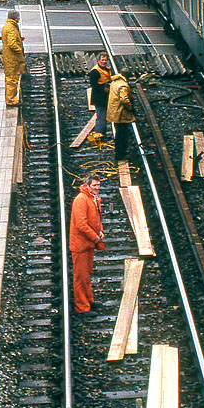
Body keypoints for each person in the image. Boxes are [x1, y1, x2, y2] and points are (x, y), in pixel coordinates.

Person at [69, 174, 104, 313]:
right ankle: (82, 307)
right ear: (87, 186)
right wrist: (96, 237)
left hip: (88, 244)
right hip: (81, 245)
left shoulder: (92, 198)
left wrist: (100, 230)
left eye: (98, 185)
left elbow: (96, 217)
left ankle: (89, 301)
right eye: (94, 185)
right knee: (80, 277)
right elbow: (81, 224)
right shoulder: (81, 200)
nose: (97, 188)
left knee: (87, 274)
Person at [107, 68, 136, 162]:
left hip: (114, 112)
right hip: (120, 114)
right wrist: (130, 107)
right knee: (122, 135)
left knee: (118, 133)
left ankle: (119, 153)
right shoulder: (123, 85)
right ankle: (121, 155)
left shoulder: (115, 82)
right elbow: (124, 99)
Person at [0, 10, 26, 106]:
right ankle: (11, 101)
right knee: (12, 79)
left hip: (9, 57)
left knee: (9, 79)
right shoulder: (11, 28)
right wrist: (19, 49)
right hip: (12, 58)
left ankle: (10, 98)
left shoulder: (7, 26)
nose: (19, 19)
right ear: (15, 18)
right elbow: (12, 43)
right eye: (18, 17)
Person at [88, 53, 112, 138]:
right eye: (102, 60)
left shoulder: (107, 69)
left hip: (106, 97)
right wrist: (103, 89)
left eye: (105, 60)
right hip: (99, 97)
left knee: (103, 116)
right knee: (101, 116)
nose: (104, 62)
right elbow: (93, 85)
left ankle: (103, 134)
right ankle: (99, 134)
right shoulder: (95, 71)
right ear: (98, 61)